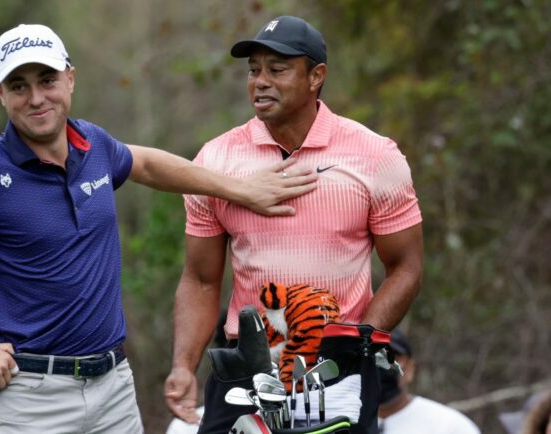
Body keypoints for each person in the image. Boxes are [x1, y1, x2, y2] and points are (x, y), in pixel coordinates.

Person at [0, 23, 317, 434]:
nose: (36, 98)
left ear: (70, 79)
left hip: (113, 391)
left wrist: (240, 190)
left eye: (46, 80)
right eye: (18, 86)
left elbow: (144, 162)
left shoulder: (92, 144)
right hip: (30, 400)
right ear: (0, 93)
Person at [164, 15, 424, 434]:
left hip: (338, 371)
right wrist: (182, 366)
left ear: (316, 76)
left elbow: (406, 267)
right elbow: (199, 280)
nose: (260, 82)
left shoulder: (375, 157)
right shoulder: (215, 161)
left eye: (277, 69)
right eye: (253, 70)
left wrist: (359, 339)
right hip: (245, 370)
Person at [377, 330, 480, 433]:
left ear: (410, 369)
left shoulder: (449, 426)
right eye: (372, 357)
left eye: (390, 357)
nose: (380, 366)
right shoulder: (361, 424)